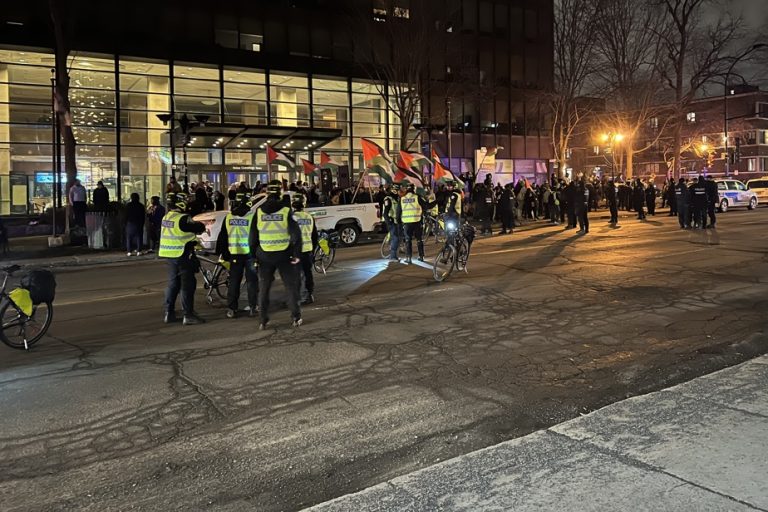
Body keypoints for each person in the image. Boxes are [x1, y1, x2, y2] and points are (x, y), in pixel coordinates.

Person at [253, 180, 302, 330]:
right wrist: (296, 253)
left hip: (264, 255)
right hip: (283, 254)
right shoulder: (286, 211)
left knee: (264, 287)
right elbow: (296, 234)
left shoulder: (259, 211)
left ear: (267, 193)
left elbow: (252, 237)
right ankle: (295, 316)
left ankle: (263, 320)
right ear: (280, 193)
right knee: (290, 286)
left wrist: (254, 255)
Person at [159, 192, 206, 325]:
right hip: (183, 255)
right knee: (187, 286)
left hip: (170, 256)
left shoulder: (166, 217)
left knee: (173, 285)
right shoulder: (183, 218)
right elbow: (198, 227)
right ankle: (188, 315)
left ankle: (169, 313)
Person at [215, 192, 259, 319]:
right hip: (250, 254)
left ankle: (232, 309)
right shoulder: (252, 217)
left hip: (234, 253)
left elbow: (223, 236)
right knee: (252, 281)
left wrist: (223, 253)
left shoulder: (229, 217)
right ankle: (253, 307)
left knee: (234, 281)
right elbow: (256, 237)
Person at [292, 193, 318, 305]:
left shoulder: (291, 217)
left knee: (296, 275)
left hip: (295, 252)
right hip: (307, 250)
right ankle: (309, 294)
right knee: (308, 273)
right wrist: (312, 250)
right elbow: (314, 236)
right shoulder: (309, 217)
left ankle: (297, 297)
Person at [399, 182, 425, 263]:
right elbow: (425, 206)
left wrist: (399, 222)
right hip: (417, 221)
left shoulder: (402, 199)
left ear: (406, 189)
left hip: (407, 223)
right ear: (414, 189)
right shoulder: (417, 197)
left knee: (408, 240)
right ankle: (421, 256)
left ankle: (409, 258)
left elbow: (398, 212)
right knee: (419, 239)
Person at [382, 184, 400, 261]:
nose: (397, 191)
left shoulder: (398, 198)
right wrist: (389, 221)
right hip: (391, 221)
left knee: (398, 237)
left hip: (397, 221)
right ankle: (393, 256)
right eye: (395, 190)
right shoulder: (388, 199)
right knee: (395, 238)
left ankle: (394, 249)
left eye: (397, 190)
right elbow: (385, 213)